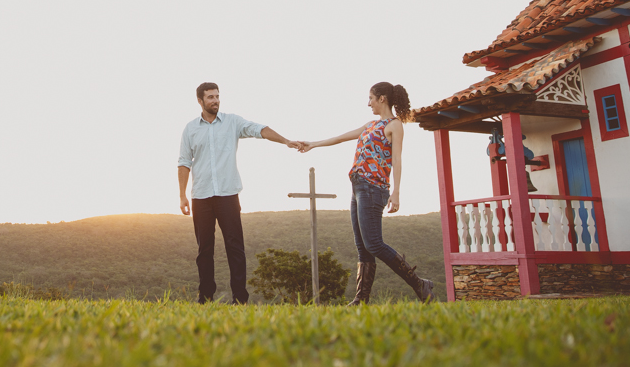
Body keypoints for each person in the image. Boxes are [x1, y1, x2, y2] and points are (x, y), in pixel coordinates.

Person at [297, 82, 436, 305]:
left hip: (374, 189)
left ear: (382, 98)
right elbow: (340, 138)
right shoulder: (370, 125)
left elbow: (398, 159)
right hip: (358, 188)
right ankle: (361, 299)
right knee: (363, 247)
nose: (368, 102)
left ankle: (419, 283)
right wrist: (313, 144)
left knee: (374, 244)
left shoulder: (395, 125)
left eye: (371, 98)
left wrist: (397, 192)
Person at [178, 82, 303, 304]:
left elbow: (259, 129)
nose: (215, 100)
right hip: (201, 196)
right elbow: (184, 163)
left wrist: (285, 141)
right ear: (200, 101)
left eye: (217, 96)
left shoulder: (232, 122)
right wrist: (182, 195)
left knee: (235, 247)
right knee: (204, 250)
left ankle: (240, 299)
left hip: (228, 195)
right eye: (210, 97)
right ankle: (205, 298)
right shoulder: (190, 129)